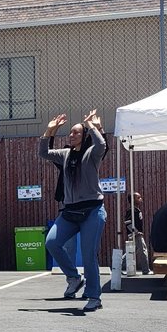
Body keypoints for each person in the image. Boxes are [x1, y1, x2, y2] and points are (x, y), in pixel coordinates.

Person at [39, 111, 107, 313]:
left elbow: (102, 145)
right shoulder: (65, 154)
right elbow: (44, 152)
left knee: (88, 256)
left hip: (92, 210)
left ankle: (94, 297)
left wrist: (92, 126)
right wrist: (50, 130)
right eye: (70, 133)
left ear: (84, 136)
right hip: (70, 212)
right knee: (52, 242)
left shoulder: (92, 154)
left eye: (76, 133)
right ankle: (74, 278)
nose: (72, 135)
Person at [124, 192, 150, 274]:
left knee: (131, 251)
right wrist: (136, 232)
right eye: (138, 198)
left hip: (137, 234)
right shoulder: (131, 210)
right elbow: (127, 222)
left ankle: (119, 265)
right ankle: (146, 270)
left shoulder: (137, 210)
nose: (141, 199)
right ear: (133, 200)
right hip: (135, 234)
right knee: (143, 250)